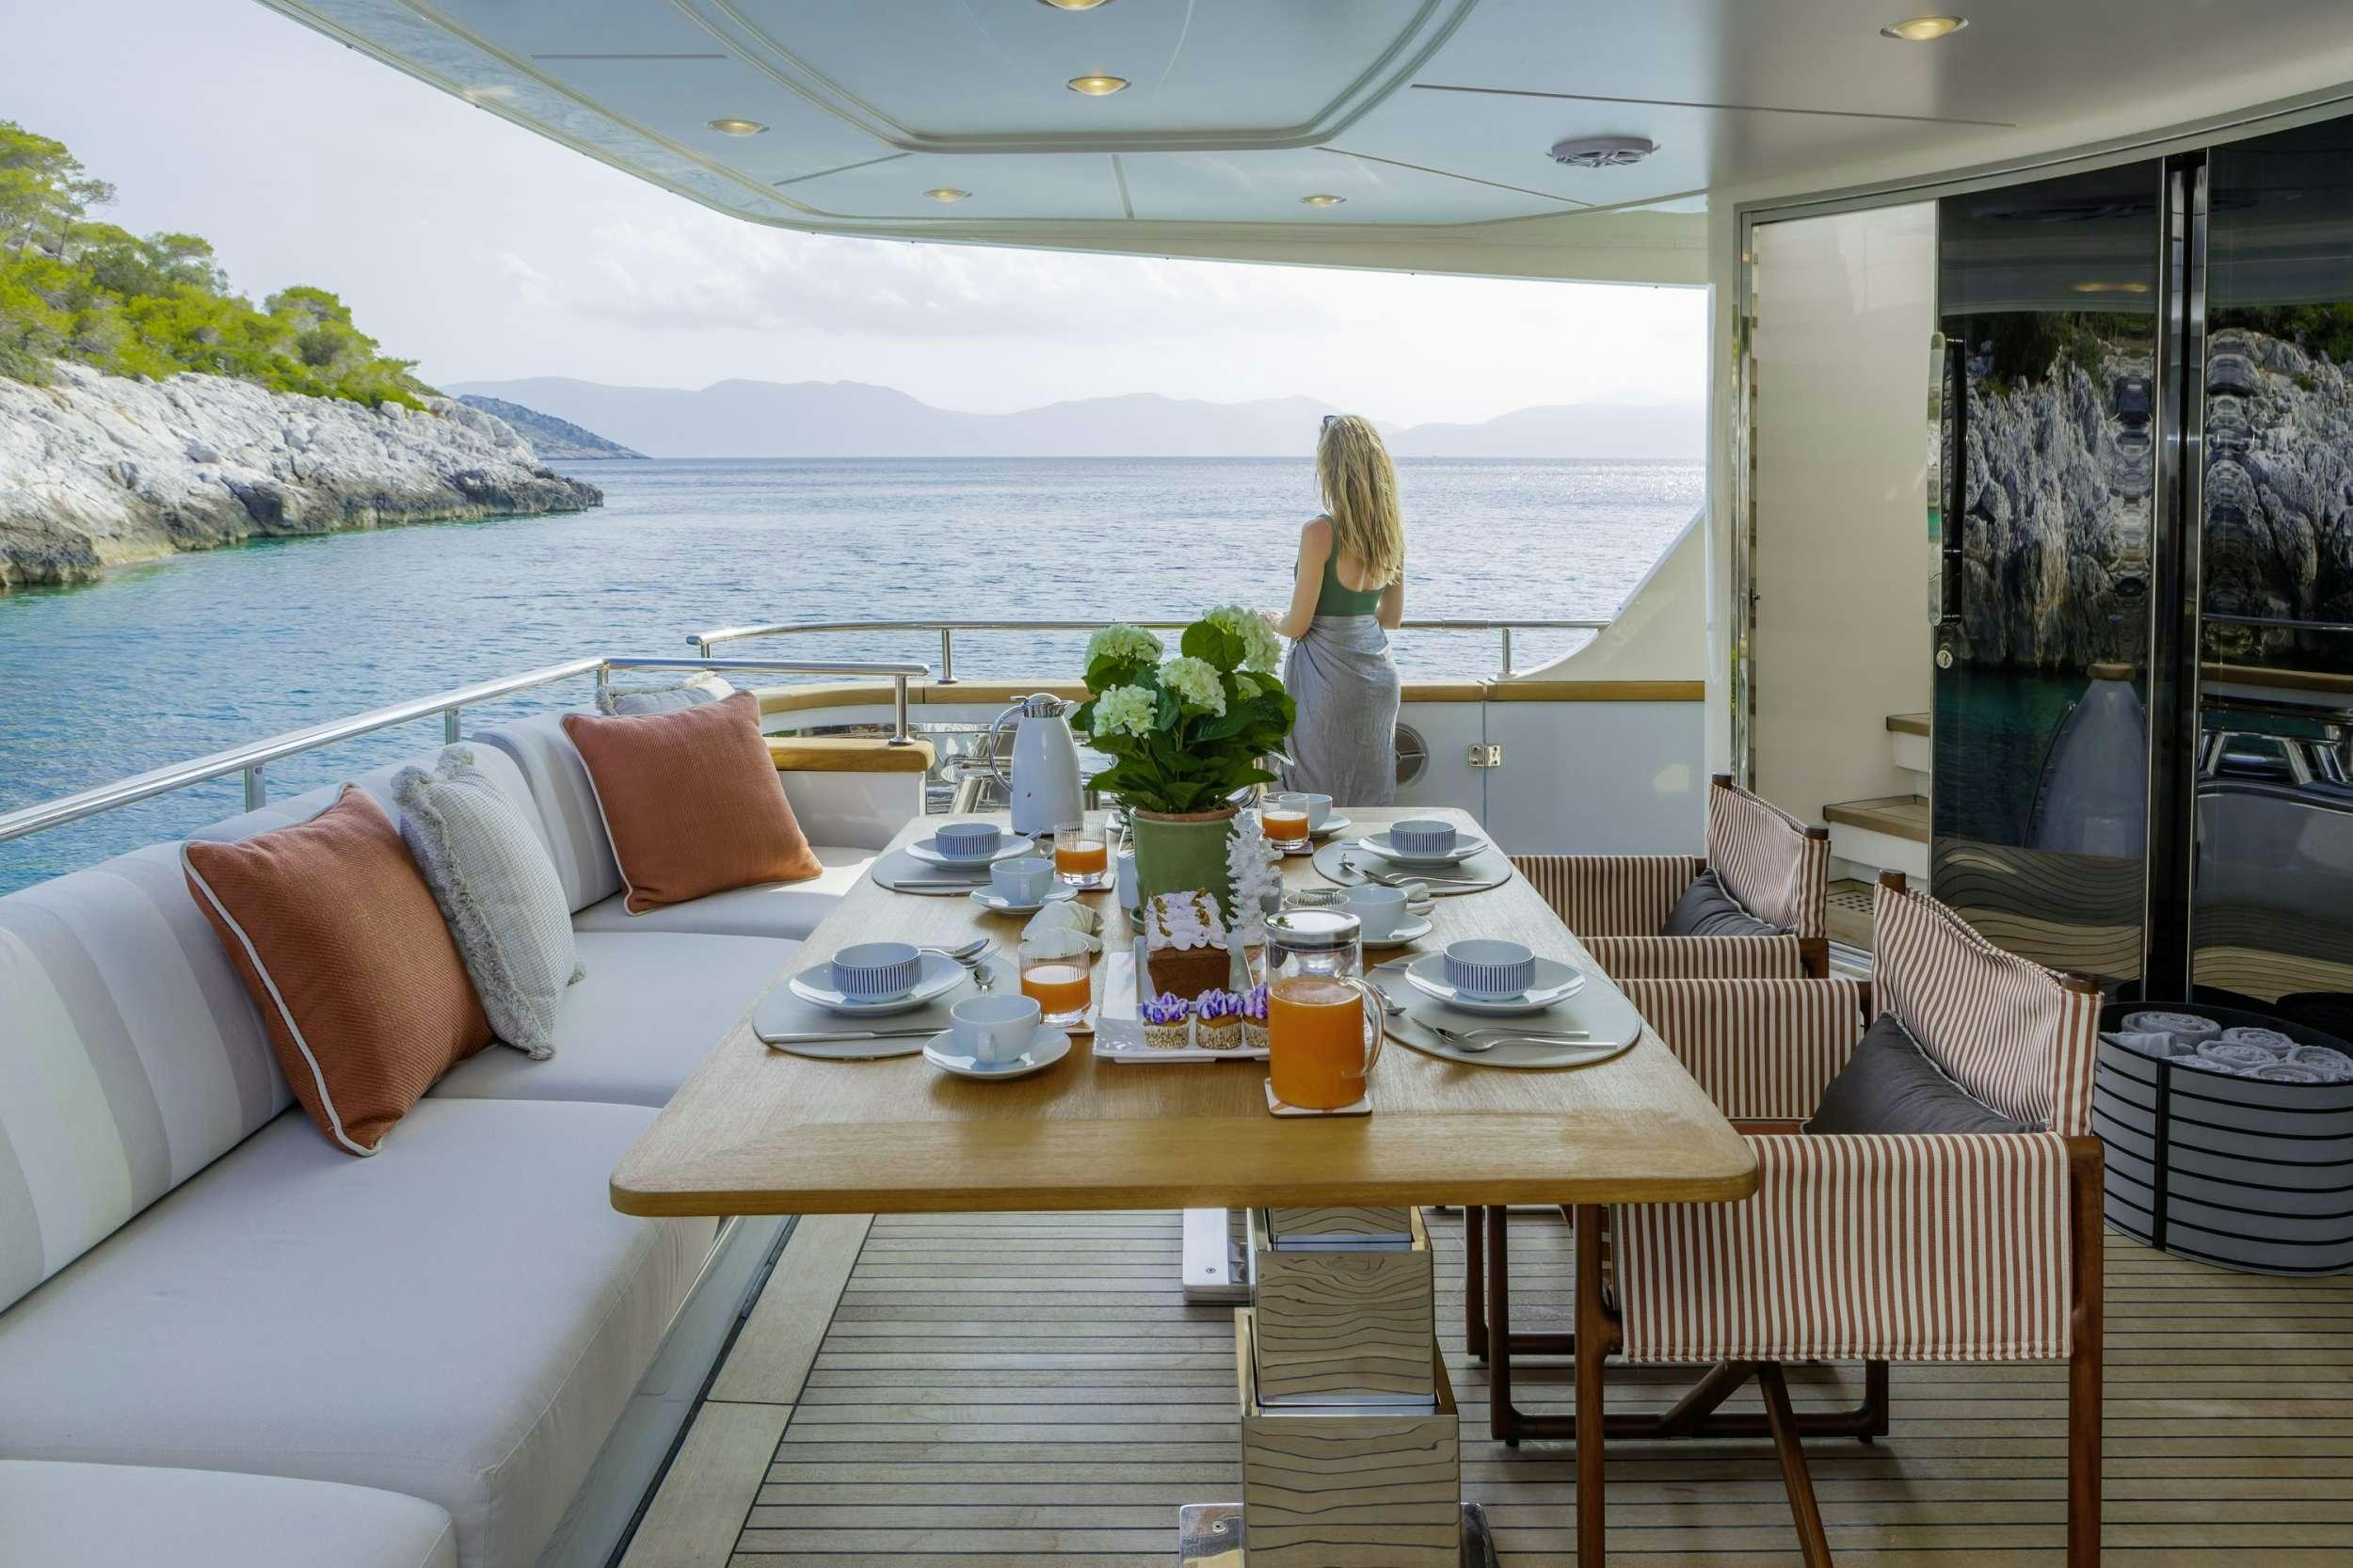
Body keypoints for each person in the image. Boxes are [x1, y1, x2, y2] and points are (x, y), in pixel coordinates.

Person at [1264, 413, 1404, 805]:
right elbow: (1391, 619)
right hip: (1377, 677)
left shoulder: (1320, 532)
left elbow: (1298, 624)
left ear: (1331, 468)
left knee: (1314, 796)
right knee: (1369, 797)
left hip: (1327, 681)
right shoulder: (1390, 533)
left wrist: (1273, 619)